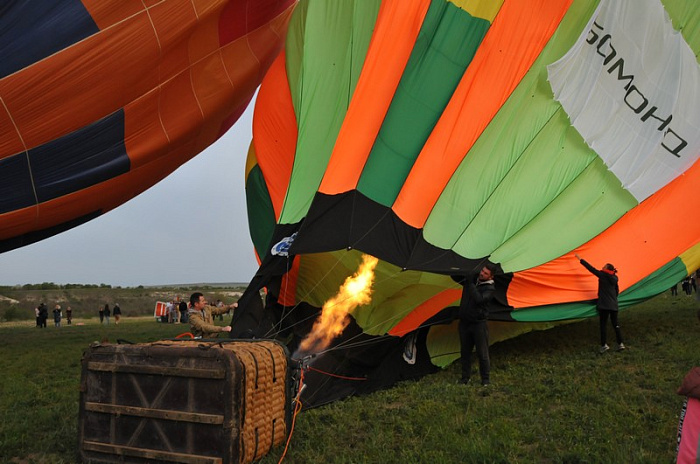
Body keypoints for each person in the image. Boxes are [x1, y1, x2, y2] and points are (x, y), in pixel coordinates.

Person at [452, 263, 498, 386]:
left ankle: (485, 380)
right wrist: (455, 267)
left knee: (482, 353)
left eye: (486, 273)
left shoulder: (490, 289)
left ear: (491, 277)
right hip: (464, 323)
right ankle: (465, 378)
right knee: (465, 352)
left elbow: (479, 299)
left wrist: (470, 283)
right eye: (482, 271)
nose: (482, 273)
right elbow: (454, 277)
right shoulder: (473, 279)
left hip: (478, 325)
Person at [575, 254, 624, 353]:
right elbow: (617, 291)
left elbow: (591, 269)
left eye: (604, 266)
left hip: (604, 305)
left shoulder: (603, 275)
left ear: (607, 269)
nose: (602, 268)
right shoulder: (614, 278)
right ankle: (620, 343)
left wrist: (581, 260)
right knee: (615, 324)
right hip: (614, 305)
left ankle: (604, 345)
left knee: (603, 325)